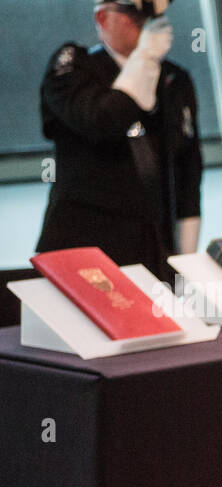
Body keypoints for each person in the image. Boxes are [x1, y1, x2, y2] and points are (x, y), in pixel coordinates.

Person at [35, 0, 202, 279]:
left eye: (155, 17)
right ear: (102, 18)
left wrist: (186, 260)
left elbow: (188, 167)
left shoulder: (174, 79)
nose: (147, 26)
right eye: (135, 16)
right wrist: (145, 60)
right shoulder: (73, 67)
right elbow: (103, 122)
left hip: (152, 247)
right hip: (84, 246)